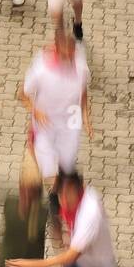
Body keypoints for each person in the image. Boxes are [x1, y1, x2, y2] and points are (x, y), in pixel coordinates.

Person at [20, 28, 91, 193]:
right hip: (45, 126)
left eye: (72, 55)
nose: (70, 60)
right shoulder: (41, 69)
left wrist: (85, 116)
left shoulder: (80, 67)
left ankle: (61, 196)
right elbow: (22, 94)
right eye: (66, 56)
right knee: (49, 172)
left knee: (66, 167)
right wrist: (36, 111)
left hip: (69, 125)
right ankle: (55, 204)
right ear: (58, 53)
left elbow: (83, 90)